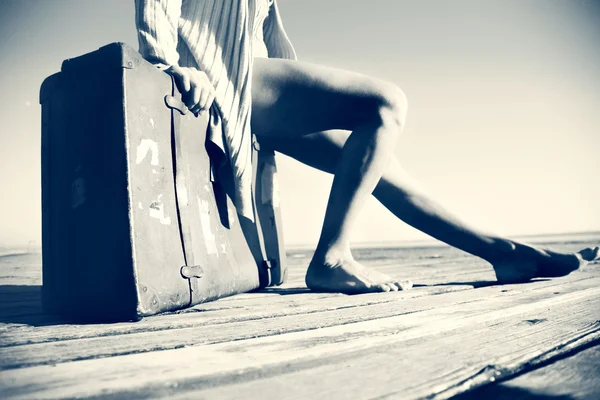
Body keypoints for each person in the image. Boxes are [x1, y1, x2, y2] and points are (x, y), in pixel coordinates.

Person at [135, 0, 599, 294]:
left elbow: (261, 32)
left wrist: (306, 101)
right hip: (223, 78)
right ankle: (332, 258)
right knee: (384, 103)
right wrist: (164, 62)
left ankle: (504, 253)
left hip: (258, 86)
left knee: (382, 167)